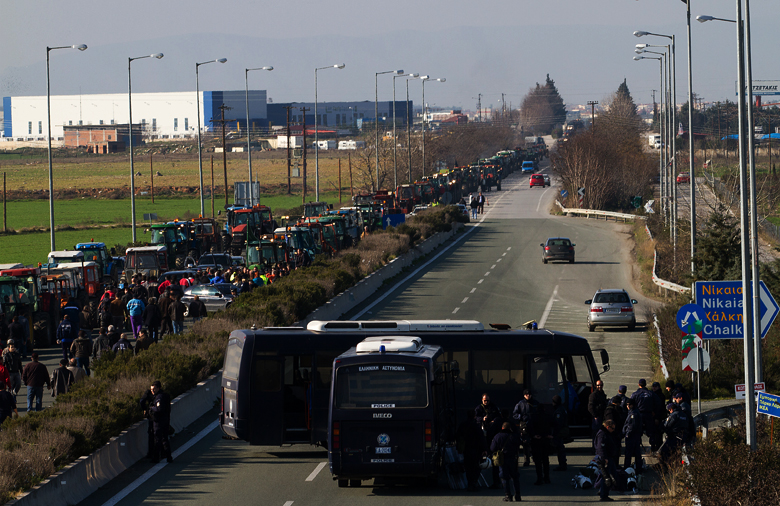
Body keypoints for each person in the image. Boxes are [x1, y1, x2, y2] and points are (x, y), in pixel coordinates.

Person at [475, 393, 503, 489]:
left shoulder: (493, 407)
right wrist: (482, 419)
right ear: (482, 400)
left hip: (492, 435)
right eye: (485, 400)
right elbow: (475, 417)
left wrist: (493, 421)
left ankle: (496, 482)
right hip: (482, 434)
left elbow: (498, 417)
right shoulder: (479, 408)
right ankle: (475, 482)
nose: (486, 402)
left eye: (487, 400)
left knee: (495, 460)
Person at [490, 422, 522, 502]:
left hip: (502, 459)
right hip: (513, 458)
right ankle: (517, 495)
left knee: (504, 477)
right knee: (515, 477)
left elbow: (492, 448)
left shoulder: (497, 436)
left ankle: (508, 495)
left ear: (502, 428)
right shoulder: (514, 436)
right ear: (510, 428)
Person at [456, 408, 487, 491]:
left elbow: (458, 436)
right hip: (476, 449)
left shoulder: (463, 424)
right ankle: (474, 482)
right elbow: (481, 438)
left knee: (468, 467)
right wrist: (484, 449)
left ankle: (470, 483)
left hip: (466, 448)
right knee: (476, 466)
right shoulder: (476, 425)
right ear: (474, 416)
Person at [512, 389, 538, 467]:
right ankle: (527, 460)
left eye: (529, 394)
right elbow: (515, 414)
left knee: (534, 443)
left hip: (534, 425)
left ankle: (535, 458)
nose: (528, 396)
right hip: (524, 425)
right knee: (525, 443)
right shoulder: (520, 404)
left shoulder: (536, 403)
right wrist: (522, 417)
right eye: (526, 394)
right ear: (524, 395)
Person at [149, 380, 173, 463]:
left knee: (158, 440)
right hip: (165, 420)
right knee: (165, 439)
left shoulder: (159, 397)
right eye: (151, 389)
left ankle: (156, 458)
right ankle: (168, 456)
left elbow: (159, 409)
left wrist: (152, 408)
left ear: (159, 388)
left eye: (154, 389)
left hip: (159, 421)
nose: (153, 391)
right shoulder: (164, 396)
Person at [594, 419, 618, 502]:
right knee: (606, 477)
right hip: (605, 458)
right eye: (612, 428)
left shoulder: (606, 433)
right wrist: (604, 458)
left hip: (609, 457)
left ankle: (601, 489)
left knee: (608, 475)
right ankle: (604, 495)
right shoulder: (602, 434)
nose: (613, 430)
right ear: (608, 427)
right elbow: (601, 447)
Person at [528, 404, 552, 485]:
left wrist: (533, 435)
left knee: (538, 461)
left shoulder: (533, 417)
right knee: (545, 459)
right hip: (546, 439)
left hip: (536, 440)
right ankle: (547, 478)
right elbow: (555, 425)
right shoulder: (548, 416)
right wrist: (550, 435)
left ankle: (539, 478)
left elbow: (529, 427)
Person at [623, 398, 644, 473]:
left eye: (629, 405)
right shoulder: (633, 412)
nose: (628, 406)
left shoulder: (633, 414)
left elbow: (632, 426)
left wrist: (628, 434)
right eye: (627, 405)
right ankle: (638, 468)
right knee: (637, 453)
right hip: (636, 436)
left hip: (632, 437)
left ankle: (627, 469)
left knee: (629, 453)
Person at [603, 396, 625, 460]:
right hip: (612, 433)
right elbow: (610, 422)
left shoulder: (615, 409)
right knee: (613, 451)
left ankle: (616, 466)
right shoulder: (610, 410)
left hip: (616, 432)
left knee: (616, 451)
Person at [551, 394, 569, 471]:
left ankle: (562, 464)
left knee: (560, 448)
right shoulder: (562, 409)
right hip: (561, 431)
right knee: (560, 448)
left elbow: (558, 423)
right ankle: (562, 464)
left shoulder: (559, 411)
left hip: (559, 432)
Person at [139, 386, 156, 459]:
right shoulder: (160, 394)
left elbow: (142, 401)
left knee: (152, 434)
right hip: (158, 416)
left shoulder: (148, 393)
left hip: (152, 416)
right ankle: (160, 452)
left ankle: (151, 453)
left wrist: (145, 409)